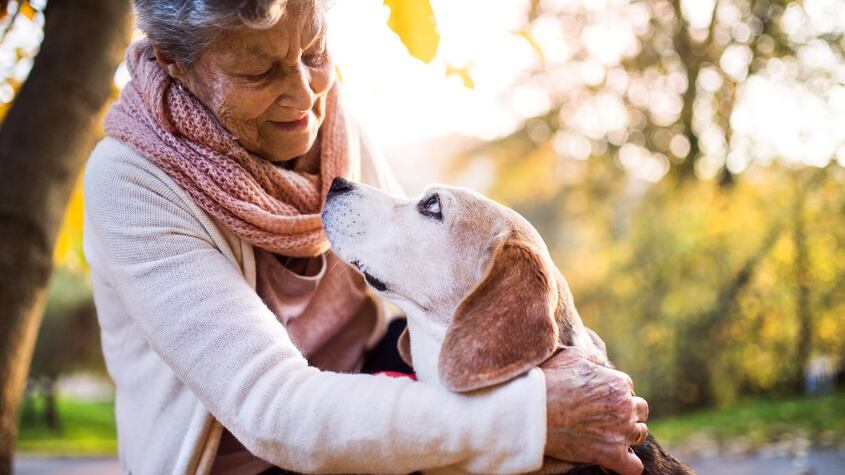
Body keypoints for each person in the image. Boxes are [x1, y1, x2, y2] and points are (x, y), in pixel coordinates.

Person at [81, 1, 649, 474]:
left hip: (375, 368)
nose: (305, 97)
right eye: (259, 73)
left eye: (314, 52)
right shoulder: (129, 183)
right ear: (174, 63)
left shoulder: (326, 115)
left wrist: (573, 366)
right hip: (255, 457)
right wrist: (530, 417)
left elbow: (421, 275)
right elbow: (273, 410)